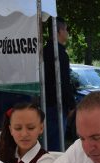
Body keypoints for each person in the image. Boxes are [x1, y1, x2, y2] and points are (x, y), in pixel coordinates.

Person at [43, 17, 76, 150]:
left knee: (49, 142)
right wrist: (71, 104)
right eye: (66, 29)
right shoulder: (59, 54)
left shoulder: (44, 51)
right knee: (55, 145)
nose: (67, 33)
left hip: (46, 103)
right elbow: (63, 81)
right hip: (56, 105)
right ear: (60, 30)